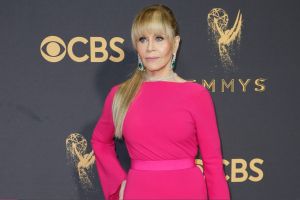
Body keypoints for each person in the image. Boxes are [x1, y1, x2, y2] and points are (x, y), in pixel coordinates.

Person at [91, 4, 230, 200]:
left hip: (188, 191)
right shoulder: (120, 94)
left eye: (159, 38)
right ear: (136, 45)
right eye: (142, 39)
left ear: (175, 43)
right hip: (139, 192)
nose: (150, 48)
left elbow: (213, 163)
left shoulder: (197, 95)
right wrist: (118, 183)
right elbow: (100, 141)